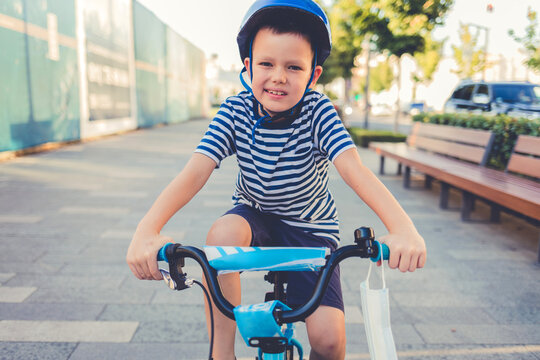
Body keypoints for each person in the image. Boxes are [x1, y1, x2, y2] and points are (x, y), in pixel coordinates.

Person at [126, 1, 426, 359]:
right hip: (254, 215)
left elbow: (354, 170)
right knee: (220, 237)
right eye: (266, 64)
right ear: (249, 67)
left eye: (293, 67)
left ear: (313, 76)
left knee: (329, 341)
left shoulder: (318, 112)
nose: (279, 76)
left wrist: (403, 228)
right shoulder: (235, 110)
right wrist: (147, 230)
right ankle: (221, 353)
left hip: (311, 229)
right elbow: (194, 171)